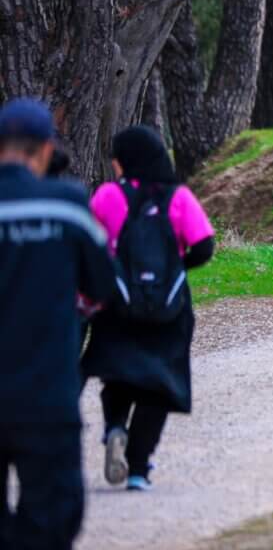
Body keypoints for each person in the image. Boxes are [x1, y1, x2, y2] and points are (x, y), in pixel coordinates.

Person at [0, 98, 117, 549]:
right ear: (47, 150)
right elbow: (104, 285)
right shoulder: (68, 207)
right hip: (45, 392)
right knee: (52, 517)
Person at [81, 126, 215, 492]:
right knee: (158, 385)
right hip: (167, 308)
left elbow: (90, 247)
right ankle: (138, 468)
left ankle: (114, 428)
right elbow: (204, 246)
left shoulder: (108, 195)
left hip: (117, 304)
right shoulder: (179, 197)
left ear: (126, 161)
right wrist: (174, 267)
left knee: (118, 373)